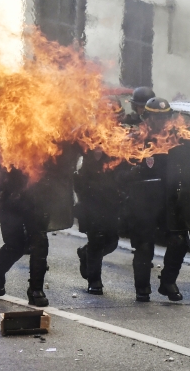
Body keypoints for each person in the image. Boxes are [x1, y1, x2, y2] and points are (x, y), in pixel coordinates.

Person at [124, 97, 190, 302]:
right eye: (156, 117)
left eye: (164, 117)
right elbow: (119, 170)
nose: (161, 121)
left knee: (178, 240)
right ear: (147, 117)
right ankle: (142, 287)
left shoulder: (179, 137)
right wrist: (132, 172)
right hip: (144, 200)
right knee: (145, 245)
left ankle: (168, 282)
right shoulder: (136, 137)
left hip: (171, 198)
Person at [0, 145, 79, 307]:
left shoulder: (50, 136)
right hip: (11, 197)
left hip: (39, 197)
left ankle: (36, 289)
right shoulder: (8, 130)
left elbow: (65, 162)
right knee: (15, 245)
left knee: (39, 242)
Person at [75, 97, 125, 295]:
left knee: (111, 241)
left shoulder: (122, 136)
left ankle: (85, 254)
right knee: (96, 239)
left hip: (113, 198)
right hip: (91, 198)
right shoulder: (87, 135)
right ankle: (95, 281)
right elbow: (78, 168)